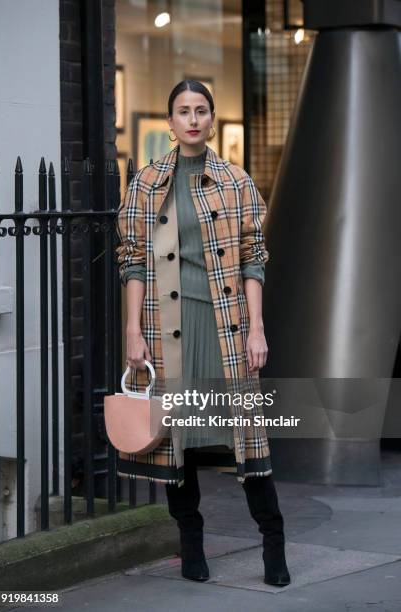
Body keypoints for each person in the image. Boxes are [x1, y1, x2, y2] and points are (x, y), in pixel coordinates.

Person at [115, 79, 290, 587]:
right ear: (170, 122)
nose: (193, 119)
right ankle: (191, 544)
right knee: (178, 445)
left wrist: (256, 330)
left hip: (225, 330)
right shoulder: (146, 184)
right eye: (183, 111)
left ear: (212, 119)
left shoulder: (236, 181)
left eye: (201, 110)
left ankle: (272, 545)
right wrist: (132, 329)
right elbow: (132, 262)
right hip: (168, 330)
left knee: (248, 443)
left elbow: (254, 257)